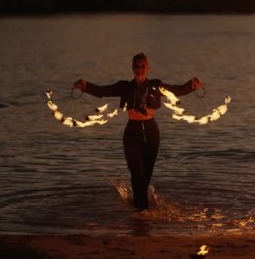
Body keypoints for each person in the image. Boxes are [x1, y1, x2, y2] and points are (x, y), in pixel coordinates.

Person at [73, 53, 203, 211]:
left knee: (146, 175)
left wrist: (192, 85)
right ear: (132, 68)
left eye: (142, 66)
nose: (139, 69)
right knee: (136, 172)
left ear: (147, 68)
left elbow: (177, 90)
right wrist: (85, 86)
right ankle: (142, 212)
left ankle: (138, 211)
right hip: (132, 132)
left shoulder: (155, 86)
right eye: (136, 66)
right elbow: (102, 91)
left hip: (151, 131)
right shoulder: (125, 87)